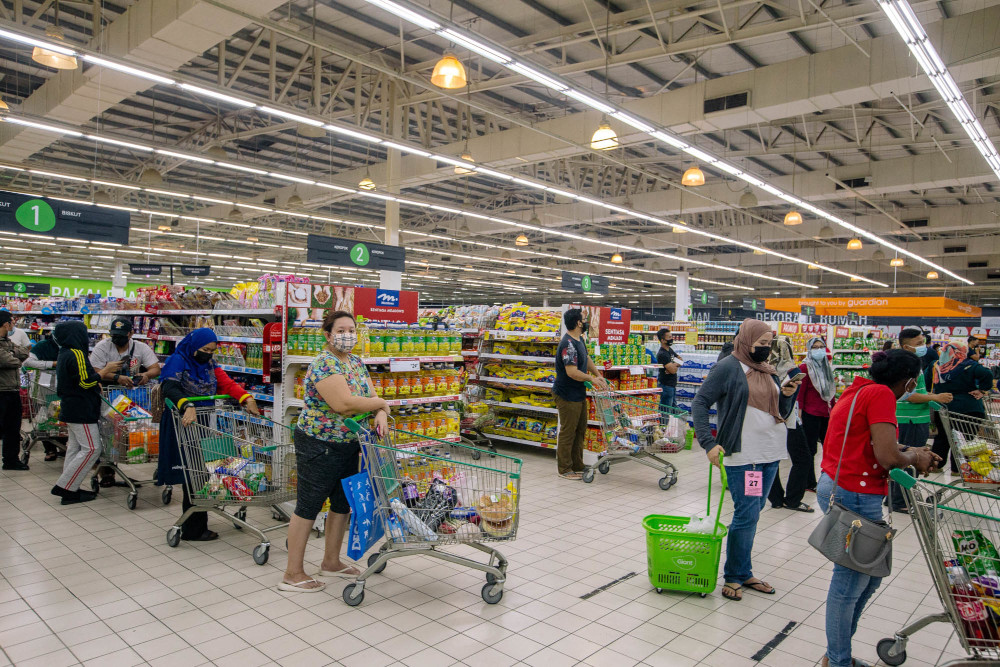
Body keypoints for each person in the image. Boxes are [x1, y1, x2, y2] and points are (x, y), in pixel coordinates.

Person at [818, 349, 940, 667]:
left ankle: (837, 655)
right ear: (911, 380)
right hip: (854, 495)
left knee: (869, 579)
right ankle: (838, 660)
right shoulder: (883, 395)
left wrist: (909, 449)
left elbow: (866, 441)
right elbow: (887, 457)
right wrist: (916, 457)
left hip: (839, 486)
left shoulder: (858, 389)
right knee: (848, 584)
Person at [281, 311, 390, 593]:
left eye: (352, 329)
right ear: (328, 335)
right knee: (309, 505)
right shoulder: (324, 364)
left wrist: (380, 411)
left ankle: (331, 562)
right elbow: (344, 404)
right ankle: (293, 573)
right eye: (341, 330)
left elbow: (368, 398)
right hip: (320, 443)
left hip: (350, 443)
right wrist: (381, 403)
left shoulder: (355, 362)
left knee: (342, 503)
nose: (348, 335)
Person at [693, 319, 800, 601]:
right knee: (747, 513)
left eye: (769, 344)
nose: (766, 349)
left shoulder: (767, 370)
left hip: (770, 454)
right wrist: (708, 442)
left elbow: (778, 410)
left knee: (754, 511)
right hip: (745, 456)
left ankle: (743, 570)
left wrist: (787, 395)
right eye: (761, 344)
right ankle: (734, 574)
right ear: (745, 340)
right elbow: (700, 403)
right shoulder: (728, 367)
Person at [157, 328, 259, 541]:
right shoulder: (178, 360)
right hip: (182, 422)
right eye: (204, 349)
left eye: (212, 350)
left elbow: (226, 383)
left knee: (201, 472)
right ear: (194, 346)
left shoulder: (209, 364)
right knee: (192, 473)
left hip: (202, 422)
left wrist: (246, 398)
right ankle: (193, 529)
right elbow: (169, 387)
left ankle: (194, 525)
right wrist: (187, 404)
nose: (208, 354)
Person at [885, 329, 952, 512]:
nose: (924, 346)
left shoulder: (915, 364)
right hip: (910, 419)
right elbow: (908, 395)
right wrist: (935, 398)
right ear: (906, 346)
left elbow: (918, 392)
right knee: (908, 461)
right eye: (919, 343)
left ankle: (895, 498)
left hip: (915, 418)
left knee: (907, 461)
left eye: (924, 342)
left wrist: (932, 396)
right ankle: (900, 501)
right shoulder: (906, 366)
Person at [90, 317, 161, 487]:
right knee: (108, 431)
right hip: (109, 393)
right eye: (114, 334)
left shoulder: (141, 347)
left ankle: (135, 455)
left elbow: (156, 368)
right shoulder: (102, 347)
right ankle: (107, 471)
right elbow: (95, 371)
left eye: (121, 335)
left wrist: (145, 375)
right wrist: (116, 377)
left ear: (131, 333)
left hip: (135, 395)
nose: (117, 338)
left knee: (136, 428)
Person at [52, 321, 117, 504]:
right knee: (92, 449)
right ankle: (65, 487)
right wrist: (106, 371)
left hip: (70, 407)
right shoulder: (77, 353)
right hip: (81, 409)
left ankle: (69, 488)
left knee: (75, 448)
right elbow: (86, 382)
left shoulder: (64, 353)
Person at [553, 308, 607, 481]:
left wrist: (598, 374)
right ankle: (564, 468)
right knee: (568, 431)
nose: (586, 322)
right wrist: (592, 379)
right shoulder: (567, 344)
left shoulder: (579, 340)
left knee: (580, 429)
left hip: (578, 392)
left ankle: (577, 464)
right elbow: (571, 372)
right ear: (577, 323)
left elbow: (587, 358)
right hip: (566, 393)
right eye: (584, 319)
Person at [930, 343, 994, 471]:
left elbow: (927, 384)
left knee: (943, 437)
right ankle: (958, 468)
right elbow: (987, 374)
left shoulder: (936, 366)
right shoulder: (969, 365)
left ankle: (936, 465)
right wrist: (982, 390)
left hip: (943, 406)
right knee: (966, 439)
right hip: (969, 407)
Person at [23, 334, 63, 461]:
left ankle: (62, 445)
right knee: (45, 419)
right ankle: (50, 448)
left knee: (61, 419)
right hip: (43, 387)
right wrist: (52, 364)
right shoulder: (42, 346)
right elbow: (27, 362)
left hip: (61, 387)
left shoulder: (71, 347)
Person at [0, 311, 29, 471]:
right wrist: (13, 356)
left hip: (12, 390)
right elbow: (10, 361)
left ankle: (11, 460)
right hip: (1, 390)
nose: (14, 325)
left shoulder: (7, 342)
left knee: (13, 428)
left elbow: (24, 352)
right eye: (12, 322)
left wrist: (11, 355)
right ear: (6, 324)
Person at [656, 328, 682, 411]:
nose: (671, 339)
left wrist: (673, 365)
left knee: (673, 410)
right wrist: (674, 366)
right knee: (665, 411)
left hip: (672, 385)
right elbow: (673, 370)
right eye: (669, 337)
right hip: (666, 386)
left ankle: (669, 424)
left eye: (672, 336)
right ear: (663, 340)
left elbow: (681, 360)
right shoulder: (662, 354)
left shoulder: (669, 350)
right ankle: (664, 424)